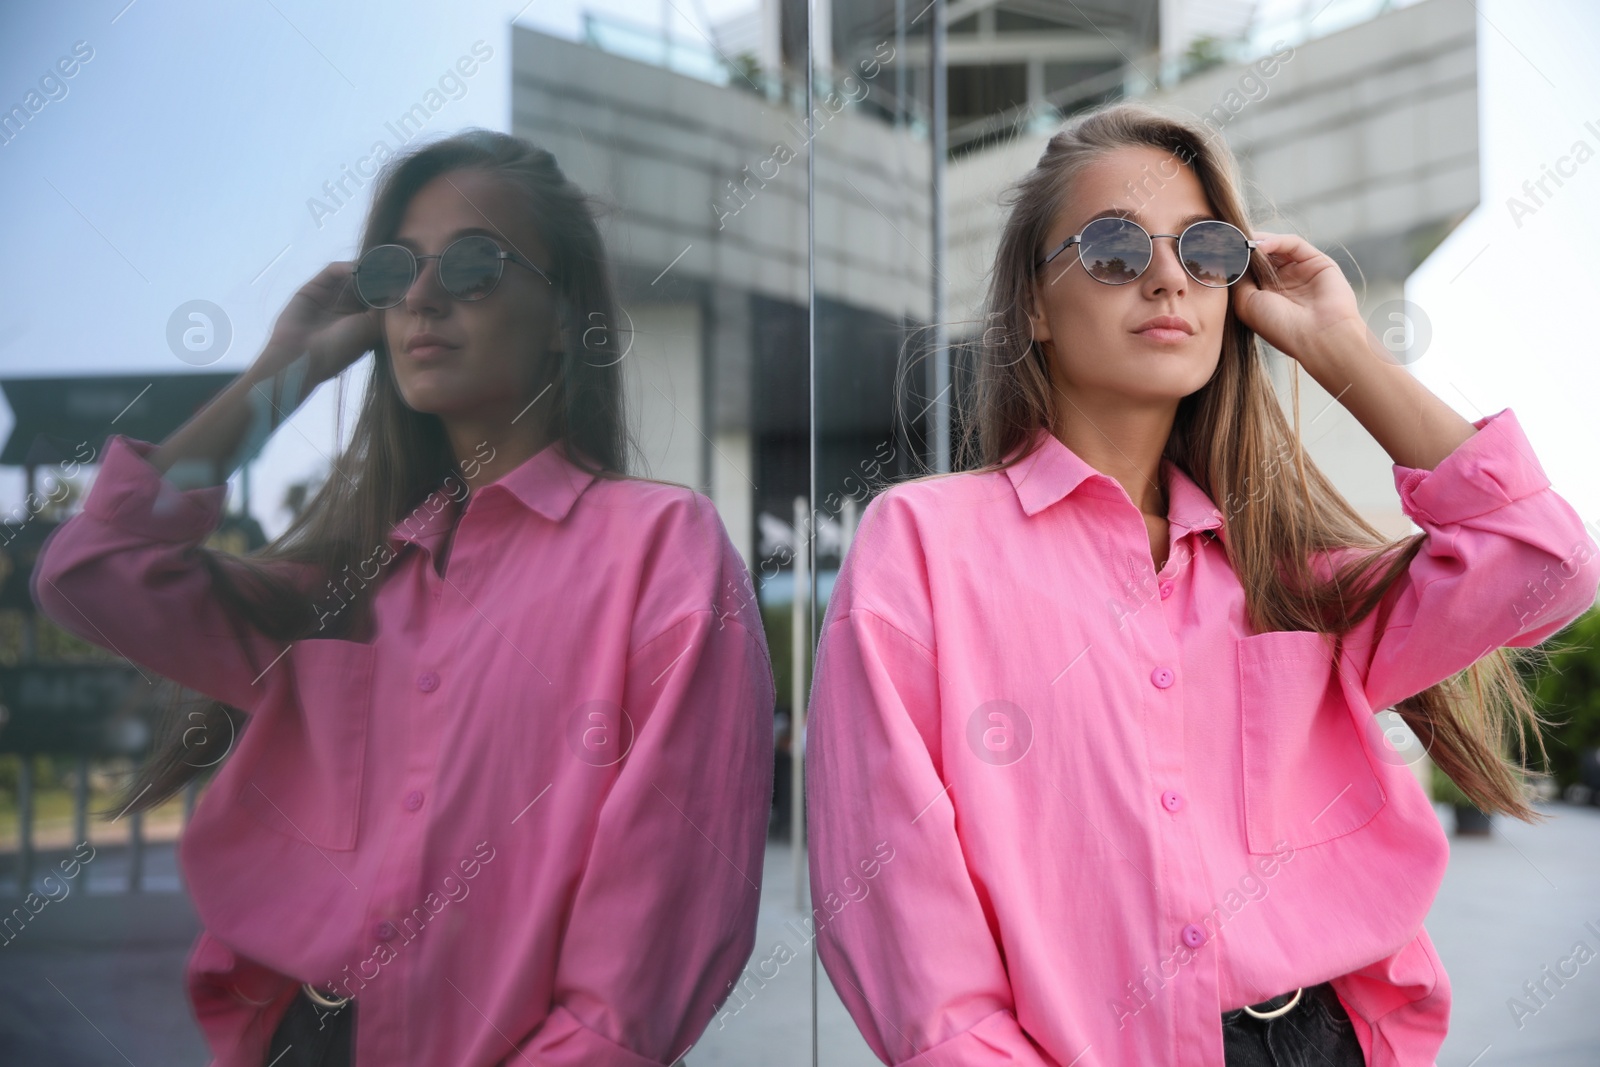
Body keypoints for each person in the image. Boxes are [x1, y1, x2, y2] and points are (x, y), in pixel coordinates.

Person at [804, 100, 1599, 1067]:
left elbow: (1544, 563)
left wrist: (1341, 350)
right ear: (1034, 306)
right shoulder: (924, 546)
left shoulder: (1288, 577)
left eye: (1207, 249)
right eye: (1112, 249)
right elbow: (898, 917)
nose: (1169, 276)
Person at [32, 129, 775, 1067]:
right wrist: (281, 377)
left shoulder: (663, 552)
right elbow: (89, 568)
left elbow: (650, 954)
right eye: (396, 270)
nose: (423, 296)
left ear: (562, 313)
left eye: (474, 265)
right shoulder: (345, 585)